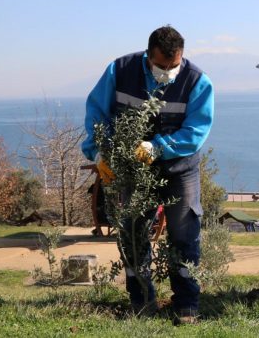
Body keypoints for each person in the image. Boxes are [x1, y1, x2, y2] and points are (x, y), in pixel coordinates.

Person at [81, 26, 214, 324]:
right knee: (133, 233)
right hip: (132, 169)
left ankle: (187, 304)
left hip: (180, 168)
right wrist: (100, 152)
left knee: (184, 233)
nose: (167, 71)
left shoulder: (197, 82)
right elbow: (96, 112)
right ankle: (141, 299)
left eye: (174, 66)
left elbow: (196, 131)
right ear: (148, 56)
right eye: (161, 66)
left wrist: (158, 148)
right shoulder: (120, 70)